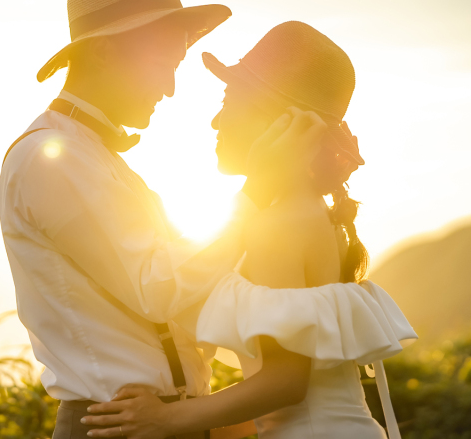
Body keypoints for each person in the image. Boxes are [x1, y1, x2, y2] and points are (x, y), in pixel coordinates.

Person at [0, 0, 388, 439]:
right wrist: (257, 189)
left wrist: (186, 418)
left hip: (161, 422)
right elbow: (158, 290)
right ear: (102, 53)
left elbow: (274, 368)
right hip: (116, 424)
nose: (170, 88)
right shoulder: (50, 157)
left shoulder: (110, 168)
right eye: (163, 65)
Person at [80, 22, 417, 439]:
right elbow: (297, 399)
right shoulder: (307, 210)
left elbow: (286, 383)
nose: (215, 121)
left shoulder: (279, 223)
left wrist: (164, 419)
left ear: (273, 118)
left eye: (228, 101)